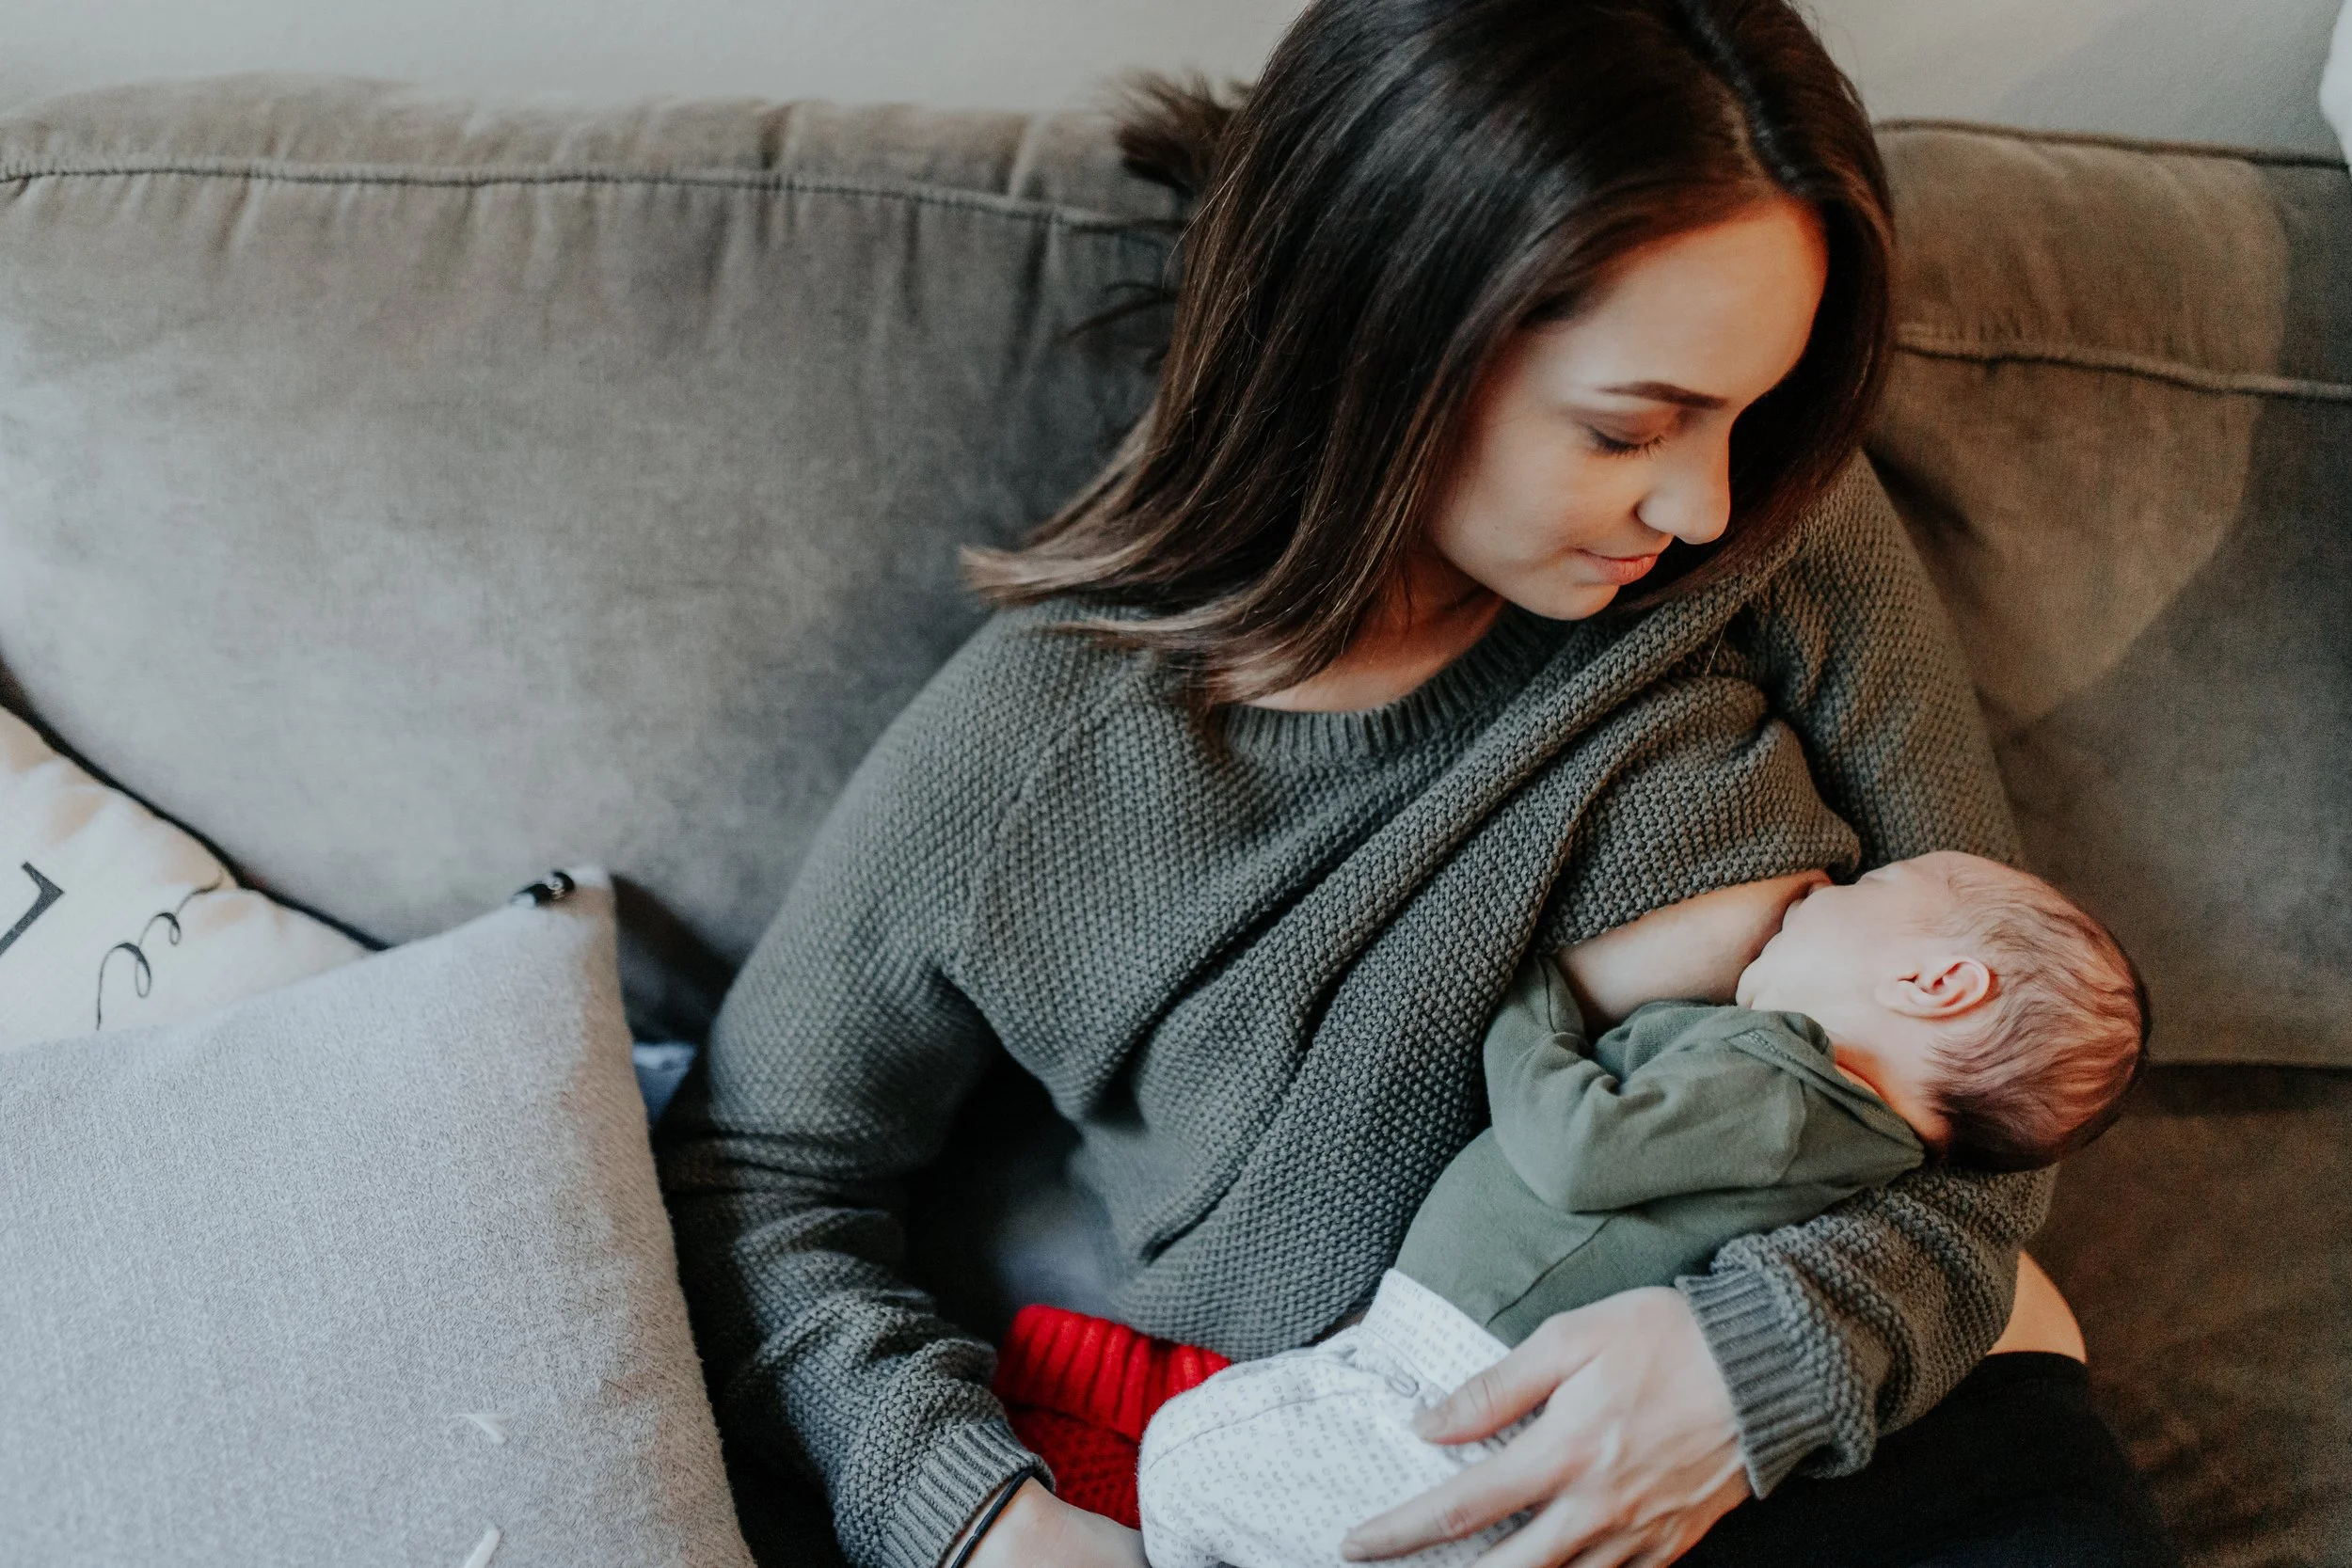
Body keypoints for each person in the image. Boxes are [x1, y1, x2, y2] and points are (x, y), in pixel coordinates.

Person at [656, 1, 2177, 1565]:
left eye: (1753, 410)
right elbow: (752, 1174)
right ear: (1381, 346)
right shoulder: (1030, 756)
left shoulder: (1780, 533)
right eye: (1629, 426)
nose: (1707, 502)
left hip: (1899, 1444)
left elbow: (2001, 1077)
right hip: (1410, 1495)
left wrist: (1761, 1362)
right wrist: (979, 1519)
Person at [1133, 852, 2149, 1567]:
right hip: (1530, 1422)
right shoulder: (1853, 1138)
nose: (1823, 886)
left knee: (1187, 1458)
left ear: (1935, 981)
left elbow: (1578, 1145)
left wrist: (1535, 1003)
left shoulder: (1787, 1079)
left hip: (1461, 1385)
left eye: (1870, 883)